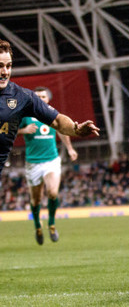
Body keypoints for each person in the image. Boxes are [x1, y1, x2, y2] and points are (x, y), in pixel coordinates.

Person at [0, 38, 99, 176]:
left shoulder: (22, 97)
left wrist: (76, 130)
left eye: (8, 66)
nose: (5, 72)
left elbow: (58, 121)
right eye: (0, 66)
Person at [18, 87, 79, 245]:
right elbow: (10, 130)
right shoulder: (25, 115)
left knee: (52, 192)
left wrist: (70, 149)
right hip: (33, 162)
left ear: (48, 99)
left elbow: (62, 130)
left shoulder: (51, 114)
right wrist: (24, 130)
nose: (41, 98)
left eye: (43, 96)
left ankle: (51, 224)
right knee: (36, 199)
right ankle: (38, 225)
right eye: (37, 96)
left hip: (51, 159)